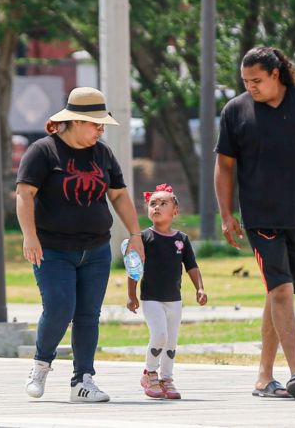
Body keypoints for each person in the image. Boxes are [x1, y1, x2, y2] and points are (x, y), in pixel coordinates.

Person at [214, 46, 295, 400]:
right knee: (281, 291)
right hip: (260, 219)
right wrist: (227, 214)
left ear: (276, 75)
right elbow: (224, 166)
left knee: (279, 292)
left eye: (256, 80)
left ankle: (263, 376)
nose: (250, 87)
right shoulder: (235, 111)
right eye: (245, 81)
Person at [16, 86, 146, 403]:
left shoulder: (102, 154)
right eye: (96, 124)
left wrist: (135, 233)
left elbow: (118, 194)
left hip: (96, 249)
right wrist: (29, 235)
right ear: (75, 122)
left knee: (88, 314)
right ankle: (41, 364)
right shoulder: (43, 151)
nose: (101, 130)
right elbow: (24, 195)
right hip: (53, 249)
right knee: (60, 306)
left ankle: (83, 381)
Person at [126, 183, 207, 400]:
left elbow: (191, 265)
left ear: (175, 211)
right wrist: (131, 295)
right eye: (153, 204)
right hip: (151, 298)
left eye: (163, 203)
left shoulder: (181, 239)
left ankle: (167, 378)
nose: (157, 207)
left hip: (174, 300)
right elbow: (134, 267)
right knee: (159, 335)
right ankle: (149, 373)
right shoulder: (143, 238)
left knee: (171, 341)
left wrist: (199, 288)